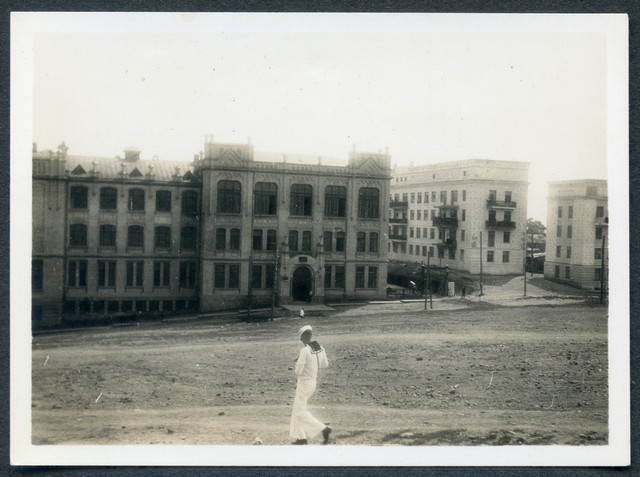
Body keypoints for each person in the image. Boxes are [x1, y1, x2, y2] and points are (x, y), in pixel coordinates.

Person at [289, 325, 332, 445]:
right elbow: (324, 364)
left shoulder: (304, 350)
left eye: (301, 338)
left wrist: (301, 362)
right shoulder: (320, 348)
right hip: (313, 382)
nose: (301, 340)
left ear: (303, 337)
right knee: (298, 410)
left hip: (304, 384)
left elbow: (298, 371)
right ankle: (300, 437)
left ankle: (323, 429)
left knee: (299, 412)